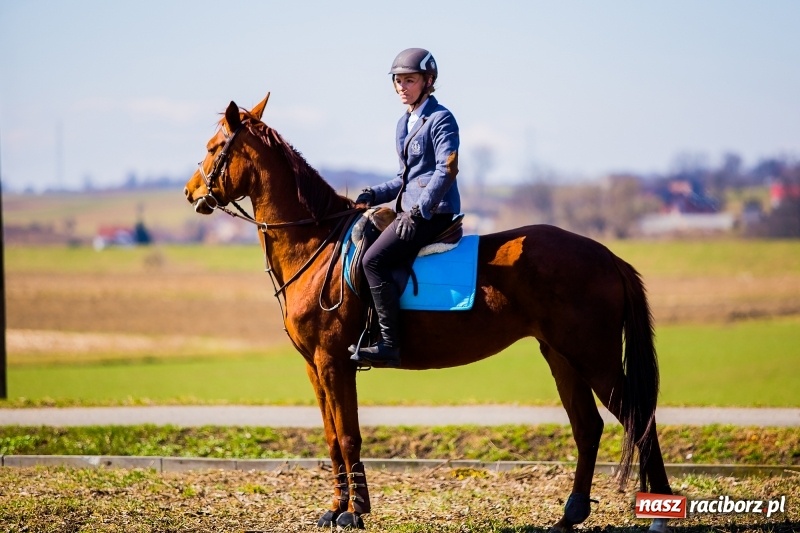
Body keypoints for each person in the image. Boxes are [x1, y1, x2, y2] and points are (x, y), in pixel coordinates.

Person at [351, 47, 461, 367]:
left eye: (409, 80)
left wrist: (418, 211)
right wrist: (373, 194)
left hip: (434, 212)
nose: (402, 87)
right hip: (411, 210)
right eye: (398, 81)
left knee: (372, 261)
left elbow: (446, 170)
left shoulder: (441, 119)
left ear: (428, 81)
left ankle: (389, 344)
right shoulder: (405, 122)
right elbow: (405, 179)